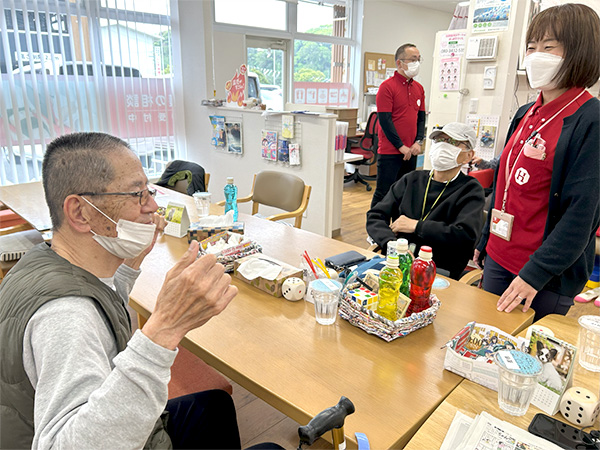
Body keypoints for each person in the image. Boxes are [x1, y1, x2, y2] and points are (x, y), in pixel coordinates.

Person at [0, 133, 241, 449]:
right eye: (138, 194)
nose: (153, 206)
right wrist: (164, 329)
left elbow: (101, 310)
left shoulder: (45, 259)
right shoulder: (65, 315)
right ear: (80, 213)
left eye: (149, 191)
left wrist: (127, 267)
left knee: (215, 406)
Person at [475, 4, 600, 321]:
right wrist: (484, 238)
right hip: (499, 255)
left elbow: (582, 214)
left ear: (578, 51)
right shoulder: (525, 112)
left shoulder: (590, 120)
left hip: (543, 274)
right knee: (485, 349)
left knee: (525, 361)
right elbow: (506, 185)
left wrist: (535, 273)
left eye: (548, 47)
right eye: (531, 47)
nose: (535, 56)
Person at [367, 122, 485, 279]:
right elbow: (375, 215)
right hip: (397, 264)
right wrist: (392, 244)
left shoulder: (470, 190)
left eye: (452, 142)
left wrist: (417, 226)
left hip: (439, 272)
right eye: (439, 140)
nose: (443, 146)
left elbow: (464, 236)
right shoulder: (412, 179)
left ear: (469, 155)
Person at [370, 43, 426, 208]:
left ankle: (397, 229)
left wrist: (418, 142)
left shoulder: (419, 88)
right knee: (384, 192)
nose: (416, 63)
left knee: (405, 192)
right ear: (399, 63)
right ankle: (374, 231)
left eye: (418, 59)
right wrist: (400, 146)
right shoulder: (387, 87)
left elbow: (421, 118)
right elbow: (385, 121)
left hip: (411, 150)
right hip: (391, 151)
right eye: (412, 59)